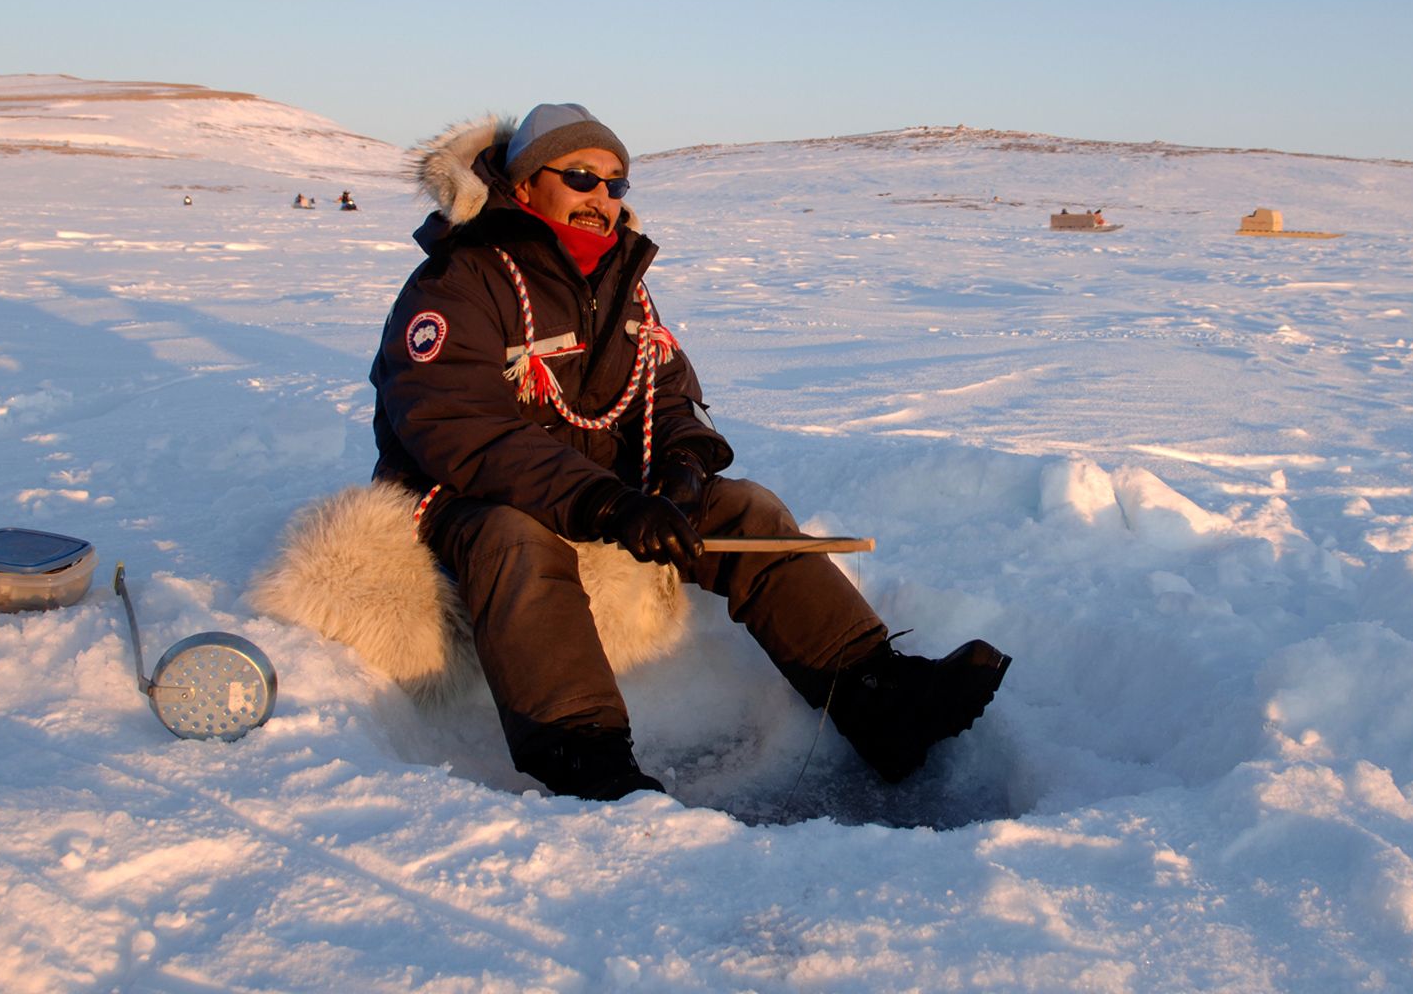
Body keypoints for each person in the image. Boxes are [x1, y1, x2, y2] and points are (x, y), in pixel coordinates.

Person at [369, 103, 1010, 801]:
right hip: (467, 496)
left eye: (617, 184)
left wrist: (683, 466)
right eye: (581, 177)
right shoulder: (460, 281)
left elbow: (670, 390)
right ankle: (585, 756)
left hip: (600, 487)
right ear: (524, 185)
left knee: (745, 509)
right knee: (517, 539)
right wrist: (605, 502)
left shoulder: (619, 281)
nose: (602, 198)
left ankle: (876, 695)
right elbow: (457, 425)